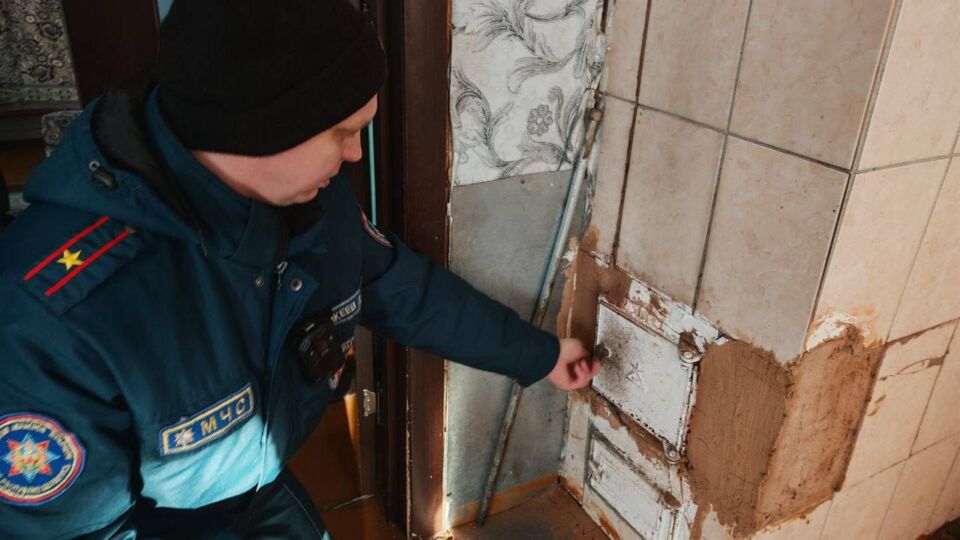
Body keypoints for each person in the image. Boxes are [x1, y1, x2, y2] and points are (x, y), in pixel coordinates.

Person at [0, 1, 601, 538]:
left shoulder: (312, 204)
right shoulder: (52, 322)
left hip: (255, 487)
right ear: (255, 129)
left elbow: (405, 292)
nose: (356, 154)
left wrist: (540, 356)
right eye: (342, 133)